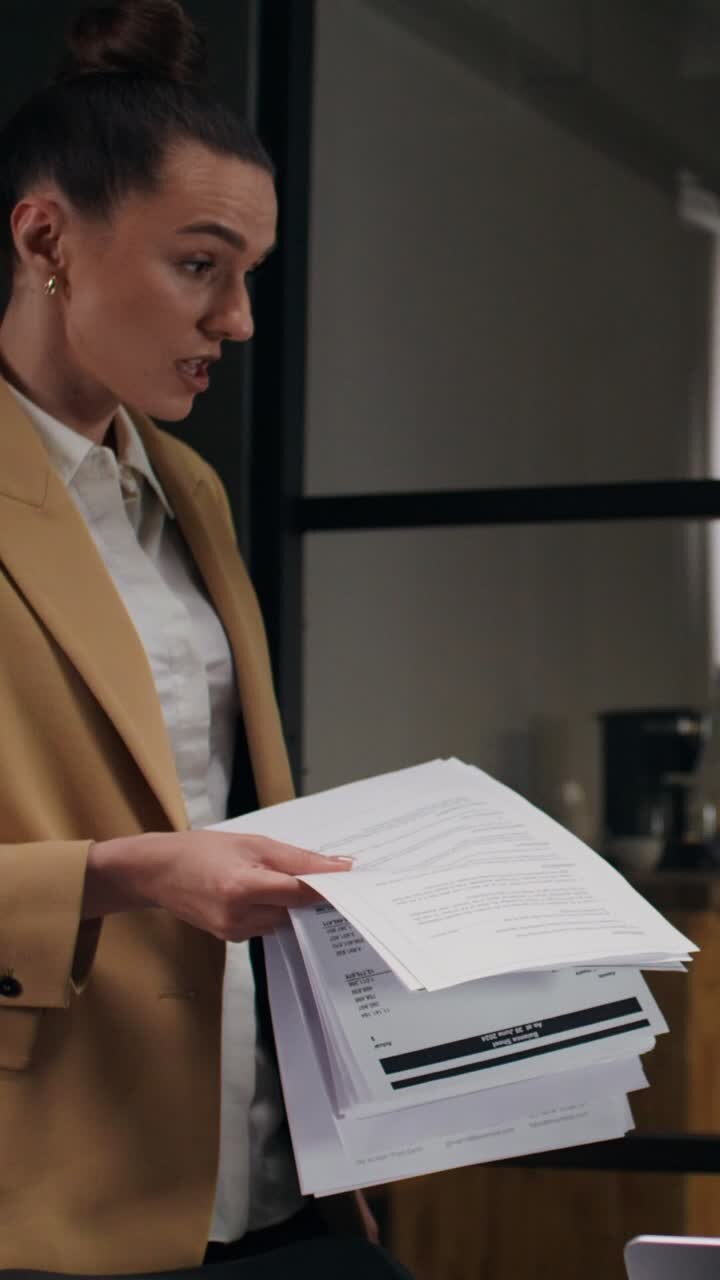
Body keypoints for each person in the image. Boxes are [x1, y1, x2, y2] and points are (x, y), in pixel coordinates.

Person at [0, 3, 411, 1276]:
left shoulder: (190, 491)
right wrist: (124, 874)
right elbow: (153, 853)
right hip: (51, 1196)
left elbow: (215, 804)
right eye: (199, 265)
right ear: (46, 238)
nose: (238, 320)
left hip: (270, 1172)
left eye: (249, 275)